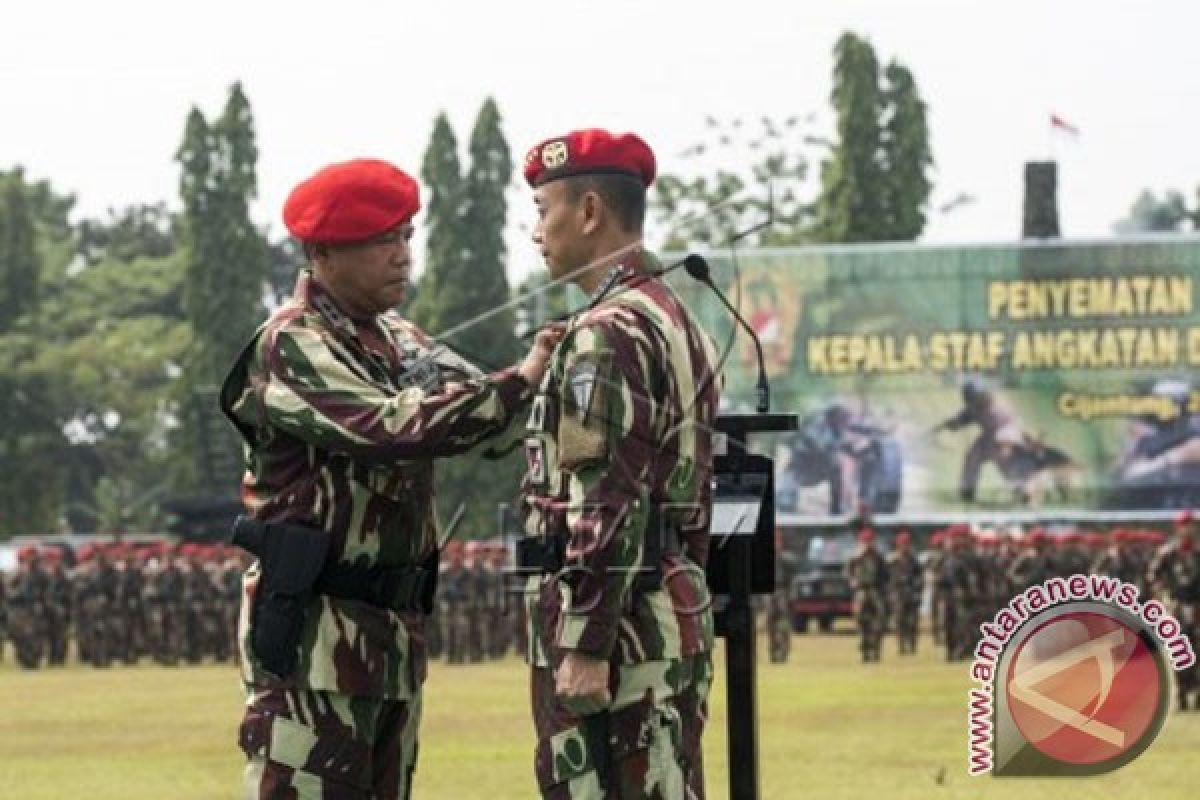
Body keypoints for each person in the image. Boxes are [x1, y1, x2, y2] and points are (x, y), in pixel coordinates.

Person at [220, 158, 563, 799]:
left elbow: (487, 425)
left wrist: (547, 373)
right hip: (314, 639)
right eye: (382, 240)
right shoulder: (292, 343)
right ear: (321, 252)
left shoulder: (399, 338)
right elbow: (387, 428)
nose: (402, 255)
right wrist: (519, 380)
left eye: (406, 236)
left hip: (391, 635)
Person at [518, 129, 721, 798]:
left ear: (589, 211)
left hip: (622, 632)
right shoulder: (673, 316)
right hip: (666, 606)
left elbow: (607, 493)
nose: (535, 232)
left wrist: (584, 640)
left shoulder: (606, 331)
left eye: (543, 210)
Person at [846, 528, 888, 662]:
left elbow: (885, 575)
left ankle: (875, 650)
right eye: (865, 541)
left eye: (870, 541)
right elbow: (848, 573)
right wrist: (853, 582)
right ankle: (864, 651)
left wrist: (883, 590)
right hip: (861, 591)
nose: (868, 544)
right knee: (861, 621)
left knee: (878, 622)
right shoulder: (855, 557)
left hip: (875, 591)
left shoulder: (878, 557)